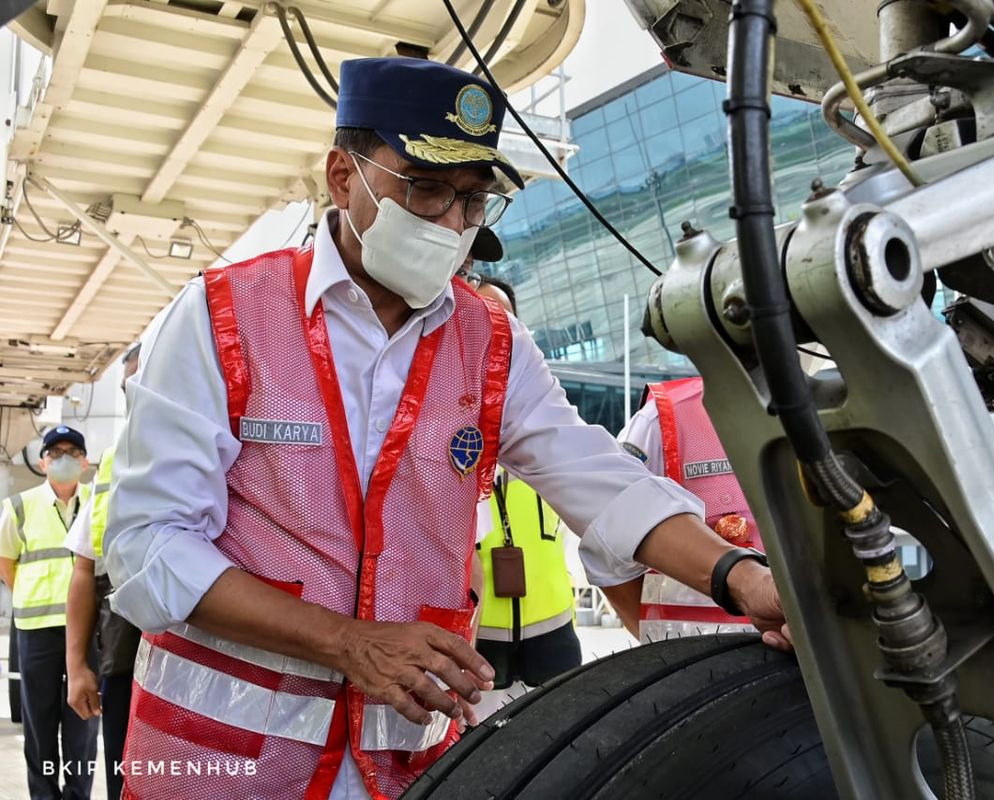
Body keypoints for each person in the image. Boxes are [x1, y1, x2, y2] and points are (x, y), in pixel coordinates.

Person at [104, 57, 789, 799]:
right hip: (220, 765)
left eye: (473, 199)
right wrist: (346, 642)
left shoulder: (489, 342)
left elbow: (599, 480)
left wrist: (740, 575)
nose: (453, 224)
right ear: (343, 176)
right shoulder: (222, 316)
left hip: (404, 769)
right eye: (425, 188)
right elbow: (146, 548)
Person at [471, 276, 582, 719]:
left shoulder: (543, 420)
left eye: (503, 320)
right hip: (480, 637)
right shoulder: (445, 423)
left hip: (554, 630)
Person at [613, 377, 765, 642]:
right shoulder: (664, 419)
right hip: (696, 661)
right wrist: (652, 637)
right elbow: (610, 536)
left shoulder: (841, 413)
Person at [0, 425, 99, 800]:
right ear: (42, 462)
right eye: (54, 452)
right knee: (39, 722)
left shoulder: (97, 502)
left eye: (72, 452)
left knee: (84, 723)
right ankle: (43, 795)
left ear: (84, 461)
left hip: (88, 630)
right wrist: (29, 593)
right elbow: (5, 561)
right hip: (36, 628)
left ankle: (77, 795)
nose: (63, 459)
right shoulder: (19, 506)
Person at [64, 343, 144, 800]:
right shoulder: (114, 463)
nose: (135, 394)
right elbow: (83, 569)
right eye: (126, 387)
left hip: (202, 663)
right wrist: (77, 667)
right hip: (124, 660)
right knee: (124, 780)